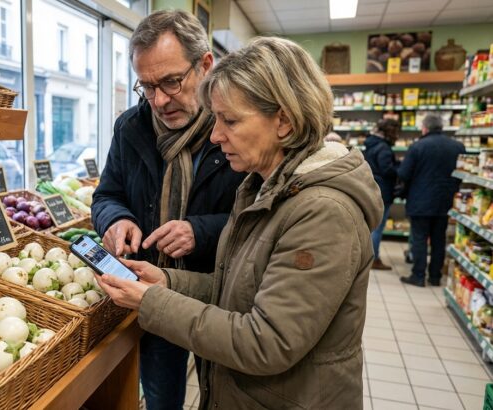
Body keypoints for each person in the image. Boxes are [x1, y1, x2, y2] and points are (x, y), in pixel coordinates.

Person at [94, 37, 382, 409]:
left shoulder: (323, 212)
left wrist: (152, 301)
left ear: (284, 120)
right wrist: (167, 281)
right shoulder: (263, 186)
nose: (215, 136)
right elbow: (238, 289)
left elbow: (266, 342)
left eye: (229, 120)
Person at [90, 10, 245, 409]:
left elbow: (258, 220)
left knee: (223, 393)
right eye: (147, 86)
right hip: (152, 289)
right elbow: (106, 195)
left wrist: (200, 231)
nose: (159, 100)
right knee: (161, 397)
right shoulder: (131, 127)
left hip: (220, 293)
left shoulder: (237, 127)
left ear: (205, 65)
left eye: (171, 82)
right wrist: (116, 219)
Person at [398, 114, 465, 287]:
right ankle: (435, 276)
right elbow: (462, 174)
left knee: (420, 238)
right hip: (446, 200)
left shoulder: (417, 146)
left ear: (425, 128)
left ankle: (418, 275)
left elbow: (404, 173)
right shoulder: (457, 147)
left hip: (420, 200)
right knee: (438, 239)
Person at [363, 118, 401, 270]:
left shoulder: (371, 143)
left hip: (371, 187)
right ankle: (373, 259)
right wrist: (399, 168)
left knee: (371, 226)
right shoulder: (383, 147)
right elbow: (386, 170)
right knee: (378, 227)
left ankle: (367, 257)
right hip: (382, 191)